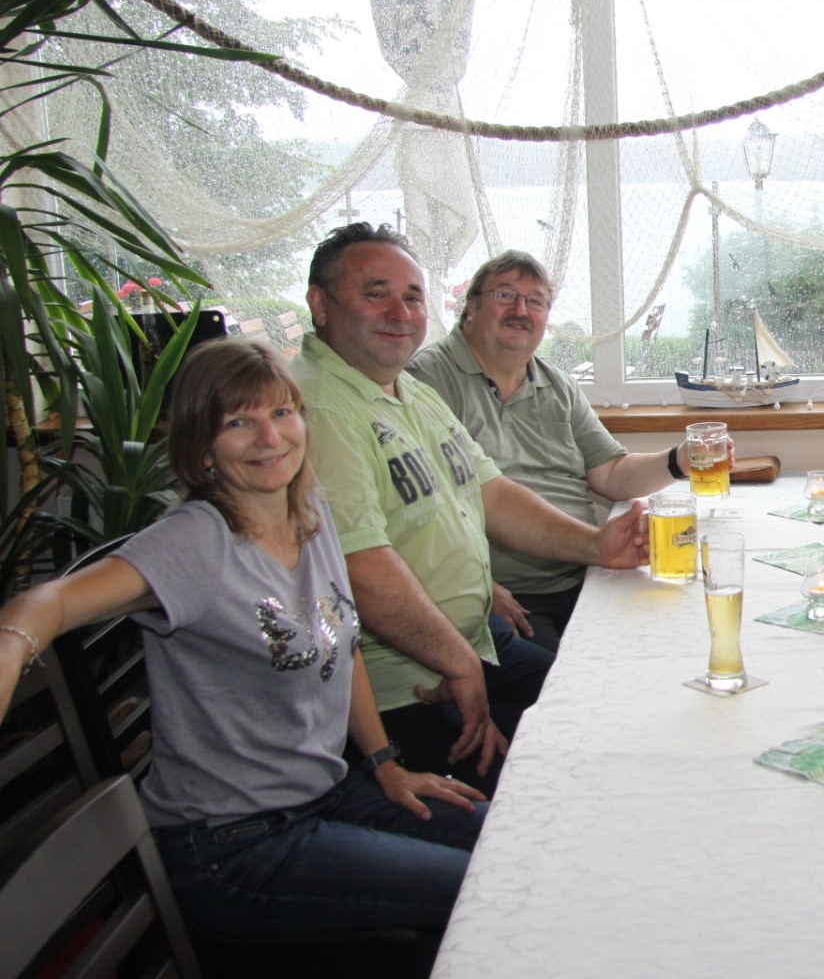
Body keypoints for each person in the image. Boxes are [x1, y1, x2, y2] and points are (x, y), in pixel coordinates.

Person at [0, 340, 486, 953]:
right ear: (201, 446)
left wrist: (386, 764)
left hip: (327, 792)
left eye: (282, 412)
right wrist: (11, 645)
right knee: (491, 889)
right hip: (234, 845)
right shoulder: (194, 542)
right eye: (237, 422)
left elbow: (343, 643)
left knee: (510, 838)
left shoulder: (307, 509)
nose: (269, 438)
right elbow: (48, 603)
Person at [292, 222, 647, 793]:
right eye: (376, 294)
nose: (400, 313)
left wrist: (595, 545)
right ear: (320, 304)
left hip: (475, 641)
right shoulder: (317, 407)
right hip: (405, 686)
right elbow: (361, 569)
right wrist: (458, 661)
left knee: (617, 708)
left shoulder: (406, 390)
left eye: (412, 297)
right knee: (573, 779)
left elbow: (494, 494)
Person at [408, 250, 698, 651]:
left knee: (674, 636)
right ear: (470, 306)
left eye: (536, 301)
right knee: (575, 679)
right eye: (505, 295)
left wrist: (680, 460)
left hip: (587, 574)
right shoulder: (426, 379)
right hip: (508, 595)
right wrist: (476, 585)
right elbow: (423, 511)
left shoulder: (557, 385)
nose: (520, 310)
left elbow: (611, 473)